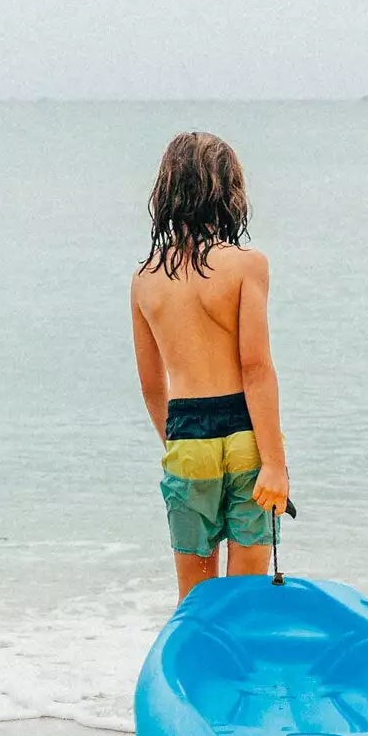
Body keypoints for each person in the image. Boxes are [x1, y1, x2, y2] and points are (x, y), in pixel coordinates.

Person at [131, 132, 290, 602]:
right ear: (228, 193)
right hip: (244, 434)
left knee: (195, 599)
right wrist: (274, 464)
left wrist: (179, 445)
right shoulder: (247, 265)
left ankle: (194, 655)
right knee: (247, 596)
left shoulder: (145, 279)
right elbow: (256, 368)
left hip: (186, 436)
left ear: (167, 194)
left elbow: (151, 387)